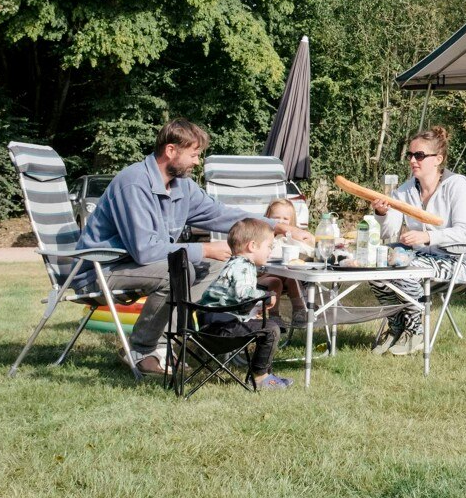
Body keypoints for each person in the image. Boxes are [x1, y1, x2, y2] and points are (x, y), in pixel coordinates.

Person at [76, 118, 314, 377]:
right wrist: (205, 249)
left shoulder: (182, 186)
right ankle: (143, 349)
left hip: (136, 265)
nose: (197, 162)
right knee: (177, 272)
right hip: (100, 269)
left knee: (218, 265)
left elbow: (220, 214)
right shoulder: (134, 184)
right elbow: (145, 250)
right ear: (171, 150)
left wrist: (278, 226)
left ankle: (179, 339)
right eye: (193, 154)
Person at [368, 126, 466, 356]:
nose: (412, 160)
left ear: (438, 159)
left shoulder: (456, 185)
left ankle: (416, 330)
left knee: (404, 268)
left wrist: (428, 237)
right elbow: (389, 232)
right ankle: (396, 325)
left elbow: (464, 233)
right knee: (375, 264)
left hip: (457, 261)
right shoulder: (405, 191)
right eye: (410, 155)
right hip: (418, 258)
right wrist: (382, 213)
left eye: (419, 155)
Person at [198, 218, 291, 390]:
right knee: (271, 329)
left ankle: (264, 374)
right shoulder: (244, 266)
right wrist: (266, 296)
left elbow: (233, 298)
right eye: (269, 246)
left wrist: (253, 310)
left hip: (209, 325)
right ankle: (260, 377)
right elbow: (243, 294)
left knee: (267, 325)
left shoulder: (233, 264)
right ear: (252, 246)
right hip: (221, 329)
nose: (270, 251)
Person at [258, 198, 308, 319]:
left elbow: (308, 250)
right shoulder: (262, 236)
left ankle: (299, 312)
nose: (281, 222)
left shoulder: (290, 238)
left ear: (291, 221)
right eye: (276, 218)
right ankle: (274, 316)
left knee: (292, 278)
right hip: (260, 277)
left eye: (285, 219)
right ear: (267, 218)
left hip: (285, 276)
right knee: (276, 280)